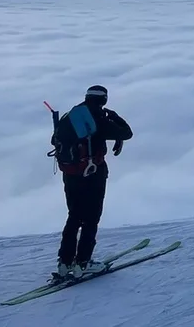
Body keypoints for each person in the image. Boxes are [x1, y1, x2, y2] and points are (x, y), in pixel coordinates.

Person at [52, 85, 133, 279]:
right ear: (104, 100)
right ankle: (83, 263)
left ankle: (64, 262)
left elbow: (54, 139)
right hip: (93, 173)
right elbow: (126, 133)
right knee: (91, 218)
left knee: (74, 216)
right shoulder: (97, 118)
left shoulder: (70, 116)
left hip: (70, 173)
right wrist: (114, 117)